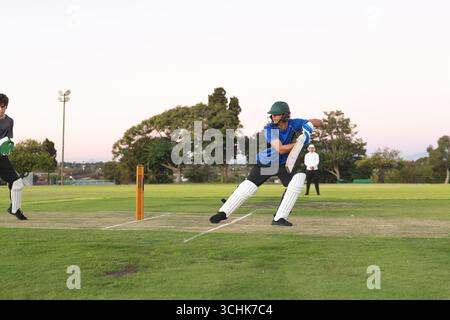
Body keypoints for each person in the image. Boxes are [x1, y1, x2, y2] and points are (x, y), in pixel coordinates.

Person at [209, 101, 321, 226]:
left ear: (284, 115)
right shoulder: (269, 129)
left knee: (296, 182)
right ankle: (223, 213)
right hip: (265, 163)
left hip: (282, 165)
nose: (273, 117)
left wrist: (309, 127)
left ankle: (279, 218)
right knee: (248, 186)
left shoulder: (294, 124)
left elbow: (318, 121)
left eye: (276, 115)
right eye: (272, 115)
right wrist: (301, 141)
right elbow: (281, 148)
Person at [0, 93, 27, 220]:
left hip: (1, 157)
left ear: (6, 107)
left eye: (2, 106)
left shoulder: (9, 121)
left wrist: (9, 147)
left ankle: (14, 209)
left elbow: (9, 139)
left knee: (17, 182)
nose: (0, 109)